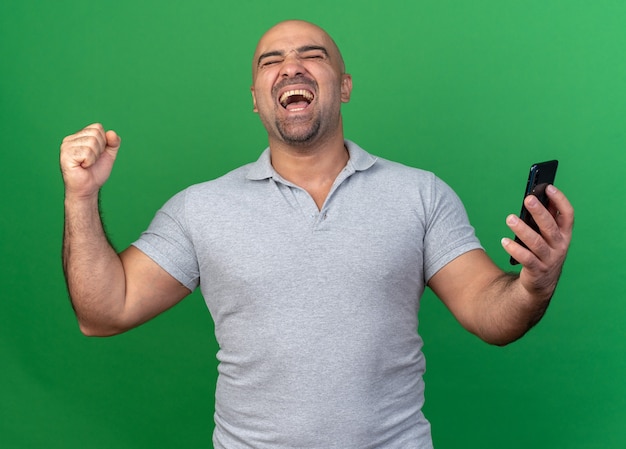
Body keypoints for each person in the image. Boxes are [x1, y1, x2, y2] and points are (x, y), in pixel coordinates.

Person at [60, 20, 574, 449]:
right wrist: (81, 197)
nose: (291, 67)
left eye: (313, 55)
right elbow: (103, 312)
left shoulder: (420, 194)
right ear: (257, 100)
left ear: (344, 85)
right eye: (270, 61)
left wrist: (535, 283)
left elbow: (490, 314)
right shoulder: (202, 207)